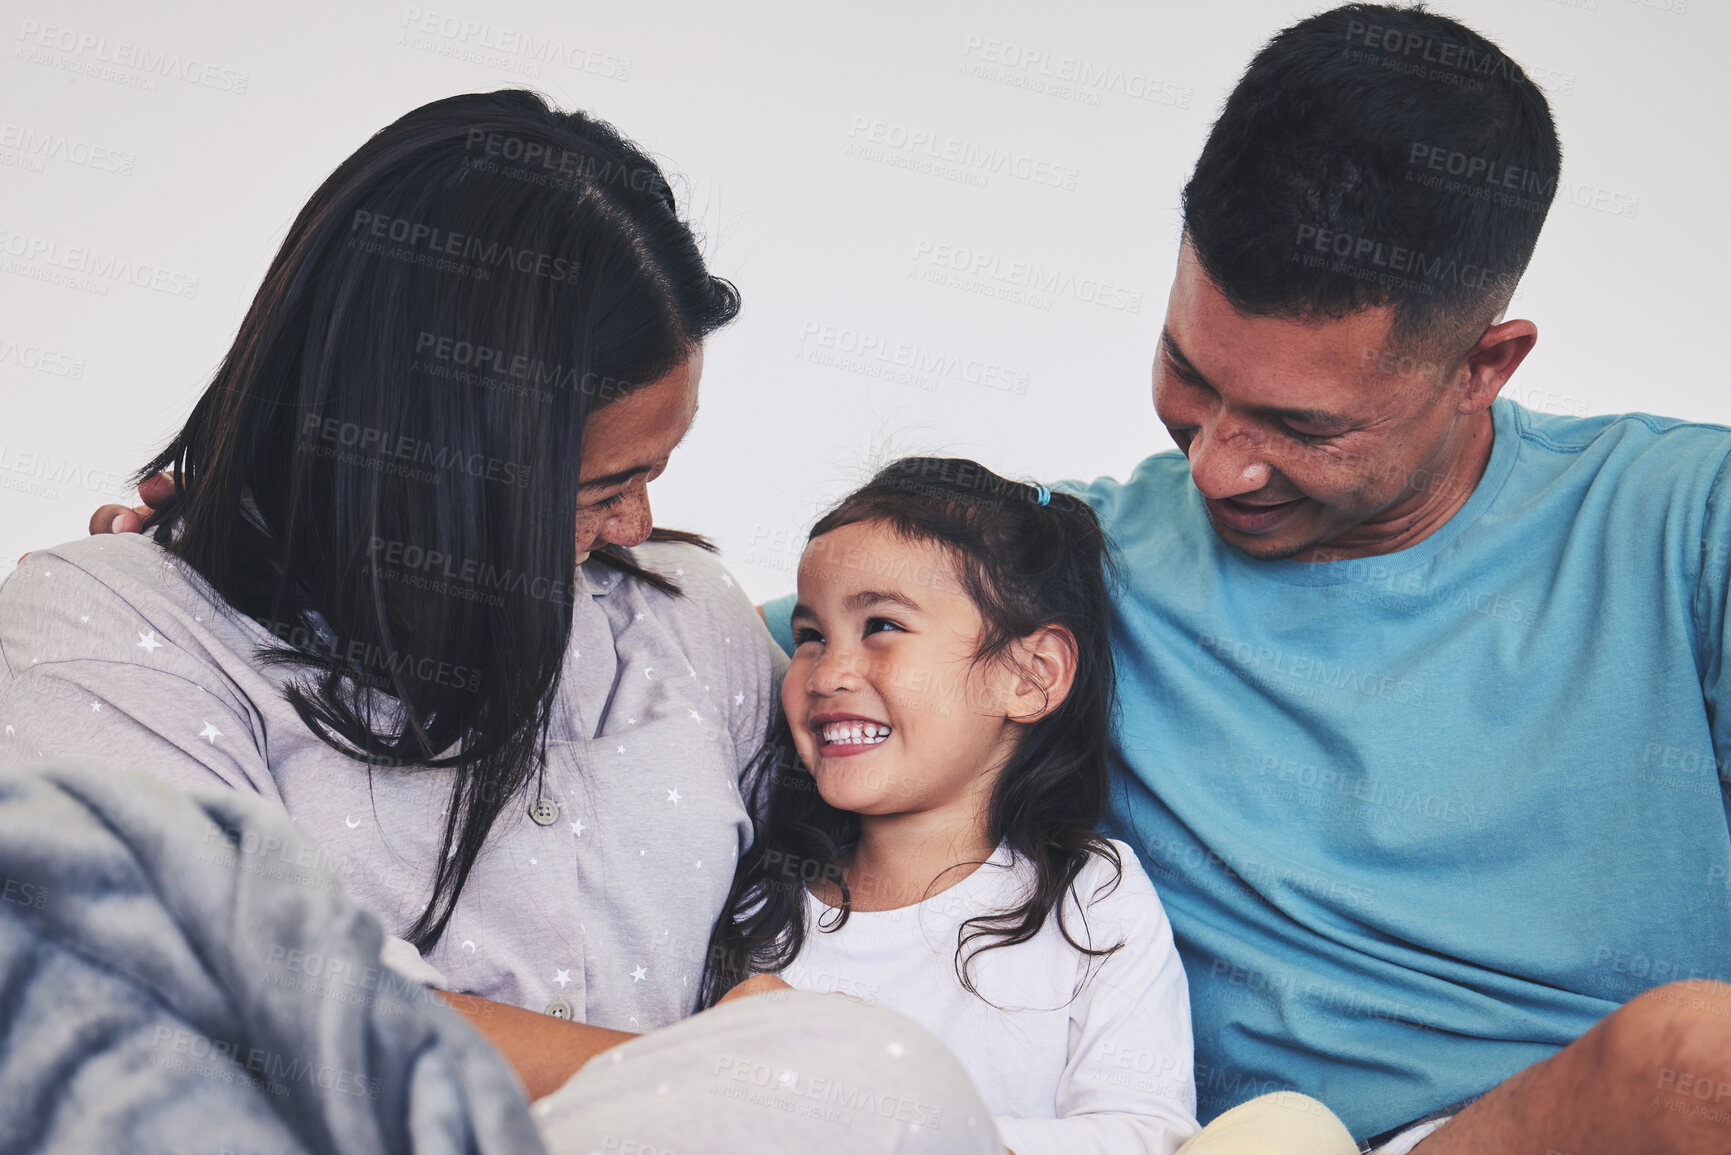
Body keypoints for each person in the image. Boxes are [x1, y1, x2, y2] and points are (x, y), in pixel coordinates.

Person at [751, 6, 1731, 1154]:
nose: (1217, 468)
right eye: (1187, 374)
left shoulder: (1686, 526)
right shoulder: (1047, 577)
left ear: (1484, 366)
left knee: (1687, 1068)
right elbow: (734, 648)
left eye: (1299, 425)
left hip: (1570, 1123)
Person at [0, 89, 1003, 1153]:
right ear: (429, 467)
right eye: (601, 485)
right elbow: (214, 1025)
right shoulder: (117, 631)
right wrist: (759, 1078)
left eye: (654, 473)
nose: (639, 522)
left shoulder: (684, 622)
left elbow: (886, 847)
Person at [708, 456, 1359, 1155]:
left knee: (1292, 1133)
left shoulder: (1091, 897)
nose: (827, 672)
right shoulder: (760, 908)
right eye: (808, 636)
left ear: (1030, 675)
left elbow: (1145, 1131)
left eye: (882, 626)